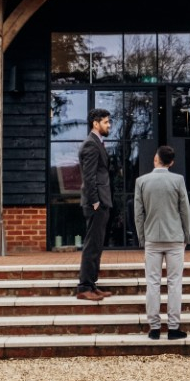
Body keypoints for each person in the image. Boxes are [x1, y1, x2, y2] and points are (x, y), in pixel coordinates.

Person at [134, 145, 190, 340]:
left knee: (152, 283)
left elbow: (138, 214)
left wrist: (142, 237)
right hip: (175, 238)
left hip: (152, 238)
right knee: (175, 283)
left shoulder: (141, 181)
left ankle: (154, 328)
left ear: (155, 159)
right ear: (172, 162)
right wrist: (187, 235)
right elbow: (185, 210)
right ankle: (174, 328)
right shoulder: (178, 180)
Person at [77, 108, 113, 302]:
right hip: (95, 203)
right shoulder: (91, 145)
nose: (109, 125)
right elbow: (89, 177)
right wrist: (96, 201)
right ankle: (84, 287)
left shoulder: (97, 143)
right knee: (92, 246)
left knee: (97, 245)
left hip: (100, 201)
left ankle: (91, 284)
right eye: (106, 122)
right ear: (95, 123)